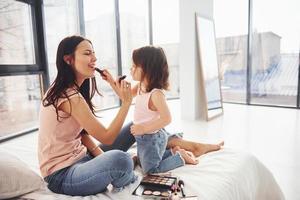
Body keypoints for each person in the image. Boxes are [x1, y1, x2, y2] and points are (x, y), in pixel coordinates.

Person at [38, 35, 136, 196]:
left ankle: (168, 146)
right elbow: (107, 137)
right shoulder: (68, 96)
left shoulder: (72, 90)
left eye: (94, 53)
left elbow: (82, 135)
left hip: (83, 158)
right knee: (122, 160)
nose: (94, 58)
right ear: (68, 59)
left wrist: (100, 158)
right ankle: (130, 176)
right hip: (62, 175)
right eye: (87, 53)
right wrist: (126, 103)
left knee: (134, 127)